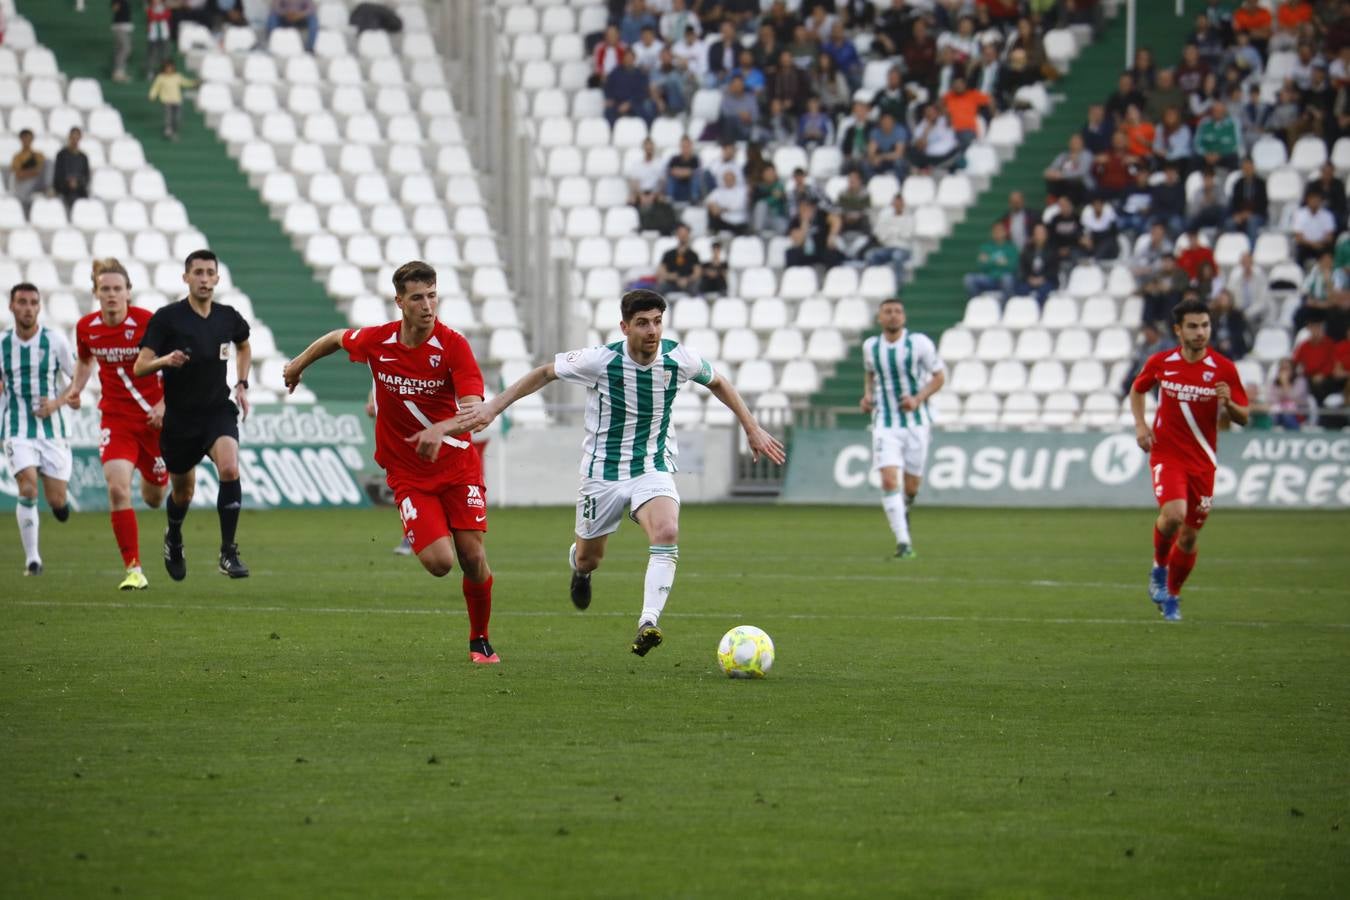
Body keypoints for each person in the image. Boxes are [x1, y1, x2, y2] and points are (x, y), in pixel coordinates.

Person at [437, 289, 785, 657]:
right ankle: (581, 570)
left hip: (652, 466)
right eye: (642, 323)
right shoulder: (600, 361)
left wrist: (751, 427)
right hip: (601, 473)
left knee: (666, 530)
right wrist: (493, 407)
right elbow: (544, 373)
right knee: (590, 557)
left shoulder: (678, 358)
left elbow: (718, 382)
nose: (652, 330)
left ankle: (648, 622)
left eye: (657, 321)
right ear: (625, 327)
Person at [282, 261, 499, 664]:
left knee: (472, 557)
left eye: (432, 295)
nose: (427, 305)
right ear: (399, 301)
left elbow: (476, 411)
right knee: (439, 564)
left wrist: (441, 428)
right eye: (417, 297)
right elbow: (334, 338)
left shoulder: (453, 346)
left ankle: (480, 639)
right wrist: (297, 364)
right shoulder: (378, 341)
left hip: (457, 467)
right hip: (407, 472)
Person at [133, 250, 252, 581]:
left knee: (229, 467)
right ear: (185, 278)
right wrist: (165, 361)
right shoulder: (167, 318)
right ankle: (174, 537)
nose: (203, 278)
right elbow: (140, 366)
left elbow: (243, 345)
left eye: (209, 272)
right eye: (197, 272)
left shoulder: (228, 317)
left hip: (217, 410)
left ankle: (228, 552)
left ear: (217, 278)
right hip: (180, 419)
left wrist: (242, 383)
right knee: (183, 493)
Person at [1130, 298, 1249, 621]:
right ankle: (1158, 568)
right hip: (1167, 453)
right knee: (1173, 515)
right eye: (1193, 326)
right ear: (1178, 330)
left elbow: (1244, 417)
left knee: (1190, 535)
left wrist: (1230, 405)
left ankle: (1173, 595)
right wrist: (1141, 424)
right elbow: (1137, 389)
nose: (1200, 332)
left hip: (1203, 461)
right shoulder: (1161, 362)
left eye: (1205, 325)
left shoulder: (1224, 369)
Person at [58, 260, 169, 590]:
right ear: (95, 292)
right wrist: (76, 389)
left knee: (154, 497)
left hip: (154, 422)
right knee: (118, 488)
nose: (111, 295)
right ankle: (133, 568)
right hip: (116, 420)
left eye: (117, 289)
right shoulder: (86, 328)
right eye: (104, 289)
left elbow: (175, 365)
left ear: (128, 292)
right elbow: (84, 359)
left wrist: (165, 404)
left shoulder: (148, 323)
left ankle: (161, 487)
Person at [860, 298, 945, 559]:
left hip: (917, 423)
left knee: (911, 486)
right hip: (885, 423)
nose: (893, 316)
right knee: (888, 479)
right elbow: (870, 374)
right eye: (888, 312)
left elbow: (939, 377)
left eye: (898, 311)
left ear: (904, 317)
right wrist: (867, 396)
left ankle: (906, 505)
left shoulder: (919, 344)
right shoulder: (871, 347)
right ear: (879, 318)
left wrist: (917, 399)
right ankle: (904, 542)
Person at [1, 284, 75, 576]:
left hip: (53, 431)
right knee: (28, 486)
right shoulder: (3, 343)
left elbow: (76, 378)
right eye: (22, 302)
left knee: (56, 500)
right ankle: (33, 560)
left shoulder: (54, 340)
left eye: (33, 302)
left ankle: (61, 504)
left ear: (39, 307)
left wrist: (56, 403)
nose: (28, 308)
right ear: (11, 307)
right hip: (16, 428)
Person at [964, 221, 1019, 299]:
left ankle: (1006, 307)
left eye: (1000, 230)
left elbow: (1013, 267)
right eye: (995, 231)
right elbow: (982, 266)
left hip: (1003, 278)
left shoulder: (1011, 248)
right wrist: (1000, 262)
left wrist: (989, 261)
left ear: (1005, 232)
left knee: (1008, 279)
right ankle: (978, 303)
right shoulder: (985, 247)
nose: (997, 233)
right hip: (988, 278)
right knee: (968, 279)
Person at [148, 60, 195, 141]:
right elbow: (155, 87)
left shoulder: (177, 76)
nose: (169, 70)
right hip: (166, 101)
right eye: (167, 68)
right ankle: (168, 129)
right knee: (168, 116)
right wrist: (152, 96)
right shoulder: (161, 77)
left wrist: (193, 83)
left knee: (177, 117)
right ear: (164, 69)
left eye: (170, 68)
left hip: (177, 101)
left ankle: (174, 130)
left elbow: (185, 82)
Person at [10, 129, 49, 215]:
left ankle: (49, 189)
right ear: (21, 140)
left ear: (32, 140)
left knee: (49, 162)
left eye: (29, 138)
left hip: (38, 182)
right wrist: (34, 171)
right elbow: (18, 175)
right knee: (23, 192)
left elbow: (42, 171)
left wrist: (30, 172)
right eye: (25, 138)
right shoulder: (17, 156)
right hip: (24, 184)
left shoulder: (38, 155)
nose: (27, 141)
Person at [52, 127, 90, 213]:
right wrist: (68, 183)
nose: (75, 140)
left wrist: (77, 183)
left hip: (79, 190)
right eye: (73, 138)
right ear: (69, 138)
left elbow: (86, 177)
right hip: (64, 189)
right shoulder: (61, 155)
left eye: (77, 138)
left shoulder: (83, 157)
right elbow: (58, 175)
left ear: (80, 138)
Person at [656, 224, 702, 295]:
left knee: (696, 288)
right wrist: (672, 277)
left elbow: (697, 274)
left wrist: (687, 279)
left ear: (688, 235)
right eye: (681, 233)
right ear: (677, 235)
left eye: (685, 233)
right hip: (671, 283)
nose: (683, 236)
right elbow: (661, 272)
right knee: (660, 288)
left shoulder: (693, 255)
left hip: (688, 284)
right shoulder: (668, 254)